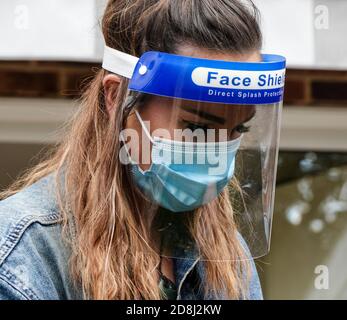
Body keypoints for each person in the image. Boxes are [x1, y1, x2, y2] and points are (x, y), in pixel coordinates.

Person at [0, 0, 286, 300]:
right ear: (117, 99)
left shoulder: (227, 254)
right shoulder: (25, 254)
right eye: (197, 129)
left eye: (238, 130)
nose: (218, 157)